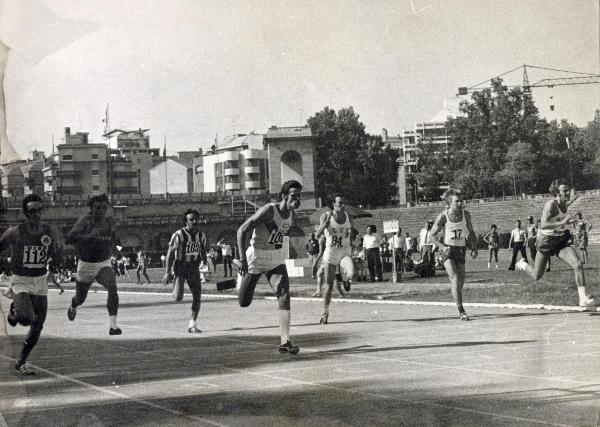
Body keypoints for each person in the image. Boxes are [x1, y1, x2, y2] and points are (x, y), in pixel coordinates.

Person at [236, 180, 302, 354]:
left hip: (275, 259)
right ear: (284, 196)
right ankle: (239, 271)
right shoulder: (268, 210)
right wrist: (242, 259)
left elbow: (279, 236)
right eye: (294, 196)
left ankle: (285, 341)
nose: (297, 200)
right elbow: (242, 230)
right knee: (244, 302)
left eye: (299, 196)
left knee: (284, 294)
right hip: (256, 257)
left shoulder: (292, 215)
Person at [0, 194, 63, 374]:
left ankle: (21, 361)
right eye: (32, 211)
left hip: (40, 280)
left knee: (38, 326)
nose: (37, 214)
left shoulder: (51, 231)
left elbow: (57, 251)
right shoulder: (15, 232)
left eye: (39, 210)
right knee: (27, 318)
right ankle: (15, 311)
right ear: (26, 213)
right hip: (21, 280)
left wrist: (55, 264)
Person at [516, 179, 595, 309]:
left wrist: (569, 222)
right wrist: (564, 222)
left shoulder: (565, 204)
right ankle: (523, 264)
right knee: (537, 276)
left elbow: (561, 222)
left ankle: (583, 299)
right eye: (565, 191)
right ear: (557, 193)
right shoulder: (551, 205)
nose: (568, 193)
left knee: (578, 264)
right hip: (545, 242)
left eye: (569, 190)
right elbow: (544, 224)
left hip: (559, 240)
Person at [65, 194, 122, 335]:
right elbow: (69, 238)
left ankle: (113, 326)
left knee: (113, 287)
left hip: (103, 263)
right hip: (86, 265)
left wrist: (117, 251)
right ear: (91, 209)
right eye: (97, 208)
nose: (101, 211)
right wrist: (89, 236)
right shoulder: (84, 221)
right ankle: (73, 305)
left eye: (104, 207)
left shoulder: (110, 222)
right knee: (80, 298)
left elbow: (113, 240)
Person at [429, 188, 478, 321]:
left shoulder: (466, 214)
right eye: (457, 201)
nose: (460, 203)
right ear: (449, 202)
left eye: (461, 200)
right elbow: (431, 236)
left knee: (460, 281)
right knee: (455, 277)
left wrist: (474, 247)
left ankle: (456, 298)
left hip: (461, 249)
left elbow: (471, 232)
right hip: (448, 250)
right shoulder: (443, 216)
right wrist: (442, 247)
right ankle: (461, 310)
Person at [162, 209, 207, 332]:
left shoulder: (202, 235)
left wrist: (204, 261)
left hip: (193, 267)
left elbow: (203, 250)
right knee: (178, 297)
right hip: (181, 266)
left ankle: (192, 325)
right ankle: (175, 285)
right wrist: (167, 272)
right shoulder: (178, 235)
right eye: (191, 219)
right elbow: (170, 254)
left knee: (197, 295)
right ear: (186, 222)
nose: (194, 221)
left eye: (196, 219)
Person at [315, 195, 354, 324]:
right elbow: (317, 234)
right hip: (331, 253)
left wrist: (351, 242)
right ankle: (325, 313)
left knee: (351, 273)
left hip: (344, 251)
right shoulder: (326, 216)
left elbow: (351, 231)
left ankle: (346, 279)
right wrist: (325, 224)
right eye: (340, 203)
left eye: (343, 203)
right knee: (329, 285)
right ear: (333, 204)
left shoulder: (348, 216)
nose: (342, 206)